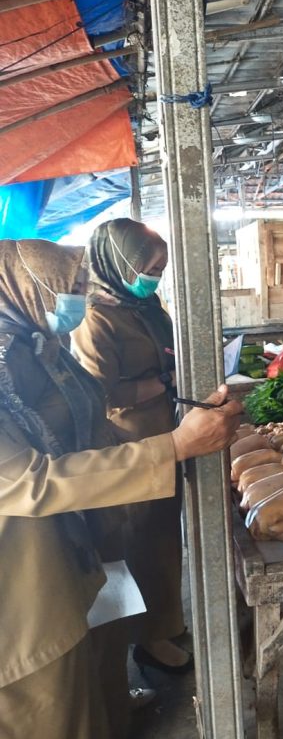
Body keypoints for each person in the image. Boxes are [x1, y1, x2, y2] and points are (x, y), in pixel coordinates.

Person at [0, 239, 241, 739]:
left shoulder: (36, 345)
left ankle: (113, 725)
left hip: (76, 538)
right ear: (23, 288)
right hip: (23, 585)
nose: (82, 299)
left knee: (79, 712)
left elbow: (80, 418)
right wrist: (172, 448)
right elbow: (30, 480)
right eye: (71, 289)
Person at [73, 218, 190, 675]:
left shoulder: (143, 304)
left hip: (165, 434)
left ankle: (164, 621)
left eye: (160, 268)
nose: (155, 276)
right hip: (129, 442)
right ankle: (147, 641)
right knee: (139, 539)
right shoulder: (95, 317)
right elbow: (100, 392)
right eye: (149, 267)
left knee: (163, 536)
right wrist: (163, 383)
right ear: (117, 261)